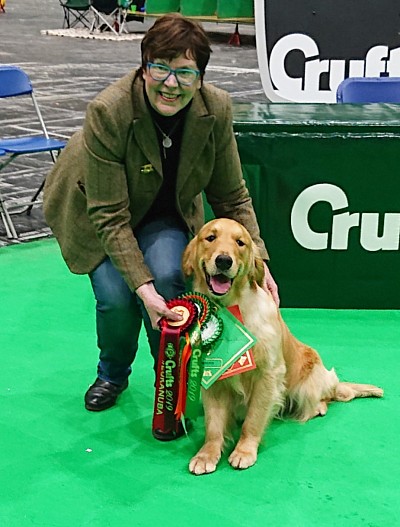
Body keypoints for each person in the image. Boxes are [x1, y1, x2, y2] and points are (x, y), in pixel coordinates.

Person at [43, 13, 279, 440]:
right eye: (161, 68)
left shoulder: (216, 109)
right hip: (99, 211)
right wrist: (142, 289)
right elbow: (110, 217)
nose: (172, 83)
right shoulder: (109, 111)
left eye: (186, 71)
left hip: (164, 210)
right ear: (143, 65)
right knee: (118, 297)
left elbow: (232, 195)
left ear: (201, 77)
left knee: (171, 277)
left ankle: (169, 390)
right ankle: (112, 374)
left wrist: (259, 260)